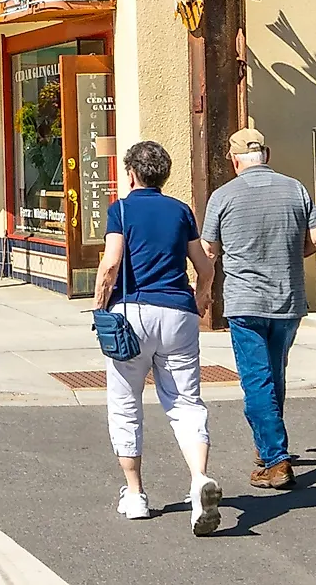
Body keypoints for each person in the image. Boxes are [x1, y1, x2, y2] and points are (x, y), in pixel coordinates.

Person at [95, 139, 223, 535]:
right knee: (185, 400)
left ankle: (134, 494)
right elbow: (204, 266)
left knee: (125, 401)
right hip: (178, 314)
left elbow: (111, 263)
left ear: (131, 173)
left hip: (132, 312)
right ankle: (199, 477)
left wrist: (101, 306)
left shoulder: (121, 209)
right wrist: (202, 300)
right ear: (163, 176)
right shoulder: (181, 211)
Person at [202, 127, 316, 491]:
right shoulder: (296, 189)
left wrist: (204, 292)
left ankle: (275, 459)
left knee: (256, 379)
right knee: (274, 374)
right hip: (287, 299)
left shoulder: (222, 197)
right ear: (266, 155)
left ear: (234, 159)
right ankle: (268, 445)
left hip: (246, 300)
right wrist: (292, 254)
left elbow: (209, 251)